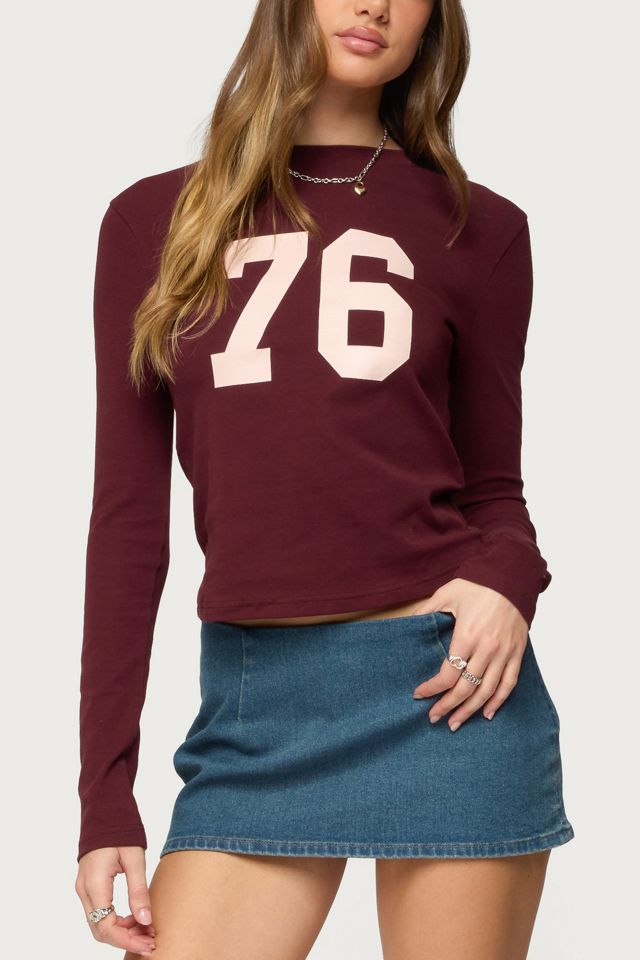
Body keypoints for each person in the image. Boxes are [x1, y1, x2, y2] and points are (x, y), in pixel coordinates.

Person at [74, 1, 575, 957]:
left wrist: (510, 580)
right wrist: (105, 799)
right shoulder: (152, 220)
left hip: (448, 691)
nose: (374, 4)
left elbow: (493, 490)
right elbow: (127, 525)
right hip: (253, 708)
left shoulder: (480, 228)